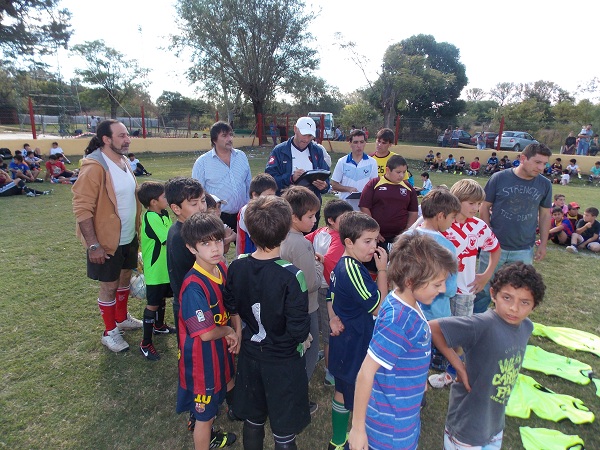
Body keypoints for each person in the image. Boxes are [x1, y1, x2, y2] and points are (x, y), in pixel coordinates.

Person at [348, 233, 457, 450]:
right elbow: (366, 373)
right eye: (437, 284)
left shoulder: (404, 301)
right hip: (390, 430)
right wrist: (358, 429)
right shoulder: (399, 321)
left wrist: (419, 381)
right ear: (410, 282)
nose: (443, 289)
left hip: (403, 415)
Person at [224, 196, 312, 450]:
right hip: (283, 361)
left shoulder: (237, 265)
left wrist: (240, 329)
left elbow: (231, 303)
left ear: (250, 231)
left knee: (253, 419)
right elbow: (298, 329)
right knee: (284, 430)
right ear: (285, 232)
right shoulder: (292, 275)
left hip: (251, 356)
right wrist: (303, 338)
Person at [430, 262, 545, 450]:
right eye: (507, 298)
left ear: (534, 305)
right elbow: (434, 329)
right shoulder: (481, 324)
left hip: (493, 424)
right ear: (493, 294)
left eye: (524, 302)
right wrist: (458, 365)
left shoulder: (526, 327)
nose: (514, 308)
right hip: (467, 424)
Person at [72, 119, 143, 353]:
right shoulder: (94, 167)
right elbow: (82, 209)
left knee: (124, 278)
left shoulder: (124, 161)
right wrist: (93, 245)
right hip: (106, 241)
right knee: (109, 286)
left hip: (128, 236)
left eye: (127, 135)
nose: (127, 139)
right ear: (106, 139)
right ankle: (109, 331)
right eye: (121, 136)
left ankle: (121, 318)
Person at [326, 211, 388, 450]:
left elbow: (330, 295)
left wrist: (333, 318)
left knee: (342, 391)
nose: (374, 247)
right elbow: (379, 307)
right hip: (356, 343)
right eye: (367, 241)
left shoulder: (344, 264)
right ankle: (356, 439)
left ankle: (337, 440)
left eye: (375, 240)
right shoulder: (352, 269)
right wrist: (382, 270)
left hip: (346, 341)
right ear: (349, 242)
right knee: (359, 395)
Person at [177, 212, 239, 449]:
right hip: (202, 363)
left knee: (227, 378)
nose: (215, 248)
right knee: (205, 417)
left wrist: (235, 332)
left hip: (219, 351)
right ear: (191, 248)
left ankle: (233, 408)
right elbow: (205, 333)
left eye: (218, 240)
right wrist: (229, 331)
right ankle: (203, 431)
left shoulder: (220, 267)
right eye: (205, 243)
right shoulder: (193, 287)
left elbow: (230, 304)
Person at [475, 143, 552, 314]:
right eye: (537, 162)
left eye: (544, 163)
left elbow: (545, 215)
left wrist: (543, 244)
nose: (541, 168)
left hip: (523, 248)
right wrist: (487, 234)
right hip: (494, 246)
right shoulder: (499, 178)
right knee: (483, 290)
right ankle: (476, 322)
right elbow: (484, 206)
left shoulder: (545, 184)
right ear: (523, 158)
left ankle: (507, 323)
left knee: (517, 292)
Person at [280, 186, 324, 412]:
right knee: (309, 352)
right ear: (294, 217)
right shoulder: (301, 244)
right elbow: (311, 283)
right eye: (310, 216)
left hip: (285, 308)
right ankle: (296, 400)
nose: (315, 220)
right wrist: (318, 264)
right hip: (305, 309)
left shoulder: (279, 236)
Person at [305, 199, 354, 387]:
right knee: (330, 333)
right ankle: (330, 372)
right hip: (329, 289)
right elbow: (332, 260)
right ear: (332, 220)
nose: (349, 221)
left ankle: (320, 355)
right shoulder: (338, 238)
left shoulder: (320, 232)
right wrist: (321, 258)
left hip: (318, 285)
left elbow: (305, 241)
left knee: (319, 325)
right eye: (345, 218)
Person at [265, 116, 330, 229]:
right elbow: (269, 180)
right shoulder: (279, 151)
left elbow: (326, 178)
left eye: (310, 136)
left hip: (311, 209)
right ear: (295, 129)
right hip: (286, 208)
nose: (306, 139)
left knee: (309, 239)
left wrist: (324, 186)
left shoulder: (317, 151)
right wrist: (290, 178)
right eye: (304, 135)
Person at [137, 181, 175, 361]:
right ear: (153, 202)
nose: (167, 199)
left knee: (162, 298)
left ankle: (159, 326)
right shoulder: (151, 217)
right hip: (156, 271)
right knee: (153, 304)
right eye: (164, 197)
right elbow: (168, 239)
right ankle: (145, 343)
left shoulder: (164, 214)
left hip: (166, 268)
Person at [165, 177, 207, 335]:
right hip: (192, 305)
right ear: (176, 208)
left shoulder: (189, 230)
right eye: (194, 204)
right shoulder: (181, 236)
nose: (202, 207)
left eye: (203, 200)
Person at [192, 121, 251, 231]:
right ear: (214, 140)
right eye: (224, 136)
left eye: (231, 135)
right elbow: (197, 193)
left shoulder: (241, 156)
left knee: (245, 243)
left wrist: (249, 207)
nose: (229, 139)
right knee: (221, 243)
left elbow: (248, 184)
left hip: (244, 215)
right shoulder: (202, 163)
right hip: (218, 217)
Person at [358, 155, 418, 252]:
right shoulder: (374, 184)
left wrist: (406, 232)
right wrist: (374, 230)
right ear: (387, 170)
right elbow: (364, 207)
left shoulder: (408, 188)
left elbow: (413, 211)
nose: (401, 175)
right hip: (377, 237)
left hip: (400, 238)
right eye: (398, 172)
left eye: (404, 172)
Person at [330, 129, 378, 210]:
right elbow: (334, 185)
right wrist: (348, 189)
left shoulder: (372, 162)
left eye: (362, 142)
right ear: (350, 143)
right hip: (345, 207)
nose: (359, 146)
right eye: (355, 142)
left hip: (364, 208)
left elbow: (374, 185)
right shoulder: (342, 161)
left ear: (365, 143)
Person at [236, 173, 278, 257]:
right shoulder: (247, 211)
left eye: (273, 196)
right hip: (248, 255)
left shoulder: (267, 208)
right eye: (269, 196)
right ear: (254, 195)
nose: (272, 199)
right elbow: (260, 236)